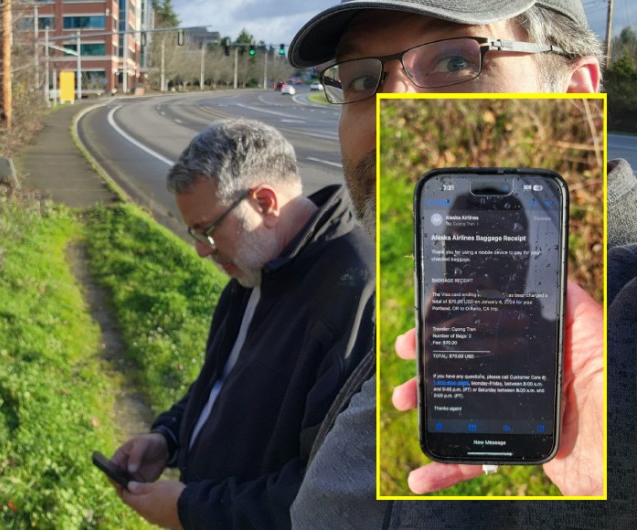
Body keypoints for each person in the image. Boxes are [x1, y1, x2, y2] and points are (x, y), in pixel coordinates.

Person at [284, 0, 634, 527]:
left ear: (576, 93)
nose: (389, 112)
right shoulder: (431, 284)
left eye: (453, 62)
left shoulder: (622, 320)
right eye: (361, 79)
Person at [109, 119, 374, 528]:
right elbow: (219, 382)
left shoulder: (357, 292)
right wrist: (168, 439)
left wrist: (193, 510)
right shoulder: (253, 265)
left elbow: (328, 489)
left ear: (265, 202)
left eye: (208, 231)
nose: (200, 250)